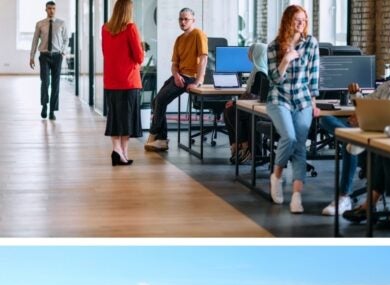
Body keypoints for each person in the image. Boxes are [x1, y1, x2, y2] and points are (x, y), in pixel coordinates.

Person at [319, 51, 390, 216]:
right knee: (325, 120)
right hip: (368, 127)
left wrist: (365, 117)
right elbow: (364, 103)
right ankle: (351, 139)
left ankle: (344, 195)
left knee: (349, 141)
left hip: (389, 133)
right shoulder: (385, 86)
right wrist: (356, 95)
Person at [266, 5, 320, 214]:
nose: (301, 24)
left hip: (303, 100)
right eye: (297, 19)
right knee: (289, 137)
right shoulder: (274, 47)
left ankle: (296, 197)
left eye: (304, 20)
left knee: (300, 146)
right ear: (288, 21)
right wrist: (286, 60)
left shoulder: (311, 44)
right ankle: (277, 176)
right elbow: (274, 80)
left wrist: (313, 102)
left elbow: (313, 76)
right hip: (279, 98)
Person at [144, 8, 208, 152]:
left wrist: (197, 82)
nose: (183, 22)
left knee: (160, 100)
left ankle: (154, 134)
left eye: (186, 19)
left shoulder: (198, 34)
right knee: (157, 100)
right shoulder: (179, 39)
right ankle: (162, 139)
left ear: (193, 20)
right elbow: (174, 64)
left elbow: (204, 59)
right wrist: (176, 75)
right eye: (181, 19)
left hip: (191, 77)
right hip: (180, 76)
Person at [102, 0, 144, 166]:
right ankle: (120, 152)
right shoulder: (130, 28)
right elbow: (139, 57)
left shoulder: (105, 28)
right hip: (129, 82)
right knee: (127, 119)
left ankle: (120, 151)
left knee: (115, 117)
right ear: (128, 10)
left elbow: (106, 52)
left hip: (111, 82)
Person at [222, 42, 268, 164]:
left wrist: (236, 103)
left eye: (250, 51)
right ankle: (237, 145)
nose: (248, 54)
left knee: (232, 111)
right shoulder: (256, 70)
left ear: (256, 54)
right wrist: (235, 102)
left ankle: (244, 145)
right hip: (251, 104)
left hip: (256, 107)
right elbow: (249, 93)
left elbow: (254, 96)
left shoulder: (260, 73)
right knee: (228, 110)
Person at [30, 1, 68, 121]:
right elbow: (35, 40)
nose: (51, 10)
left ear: (55, 10)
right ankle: (44, 106)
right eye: (49, 8)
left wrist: (62, 52)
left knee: (56, 84)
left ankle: (52, 110)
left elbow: (66, 39)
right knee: (45, 82)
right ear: (45, 10)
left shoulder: (61, 23)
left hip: (57, 57)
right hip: (44, 56)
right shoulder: (40, 24)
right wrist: (32, 56)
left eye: (53, 8)